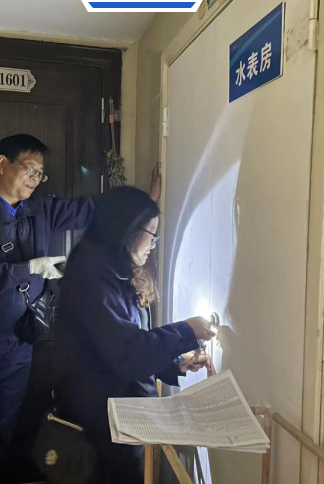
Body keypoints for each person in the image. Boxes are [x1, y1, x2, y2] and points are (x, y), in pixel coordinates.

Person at [0, 134, 96, 484]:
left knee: (1, 429)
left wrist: (142, 200)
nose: (35, 179)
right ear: (2, 164)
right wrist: (31, 268)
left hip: (20, 342)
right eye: (30, 169)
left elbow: (87, 209)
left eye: (40, 173)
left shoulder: (39, 208)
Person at [54, 186, 215, 484]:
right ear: (126, 229)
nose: (153, 244)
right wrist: (185, 330)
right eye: (151, 235)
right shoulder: (92, 277)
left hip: (119, 418)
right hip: (100, 426)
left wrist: (174, 363)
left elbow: (119, 343)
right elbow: (127, 353)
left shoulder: (110, 270)